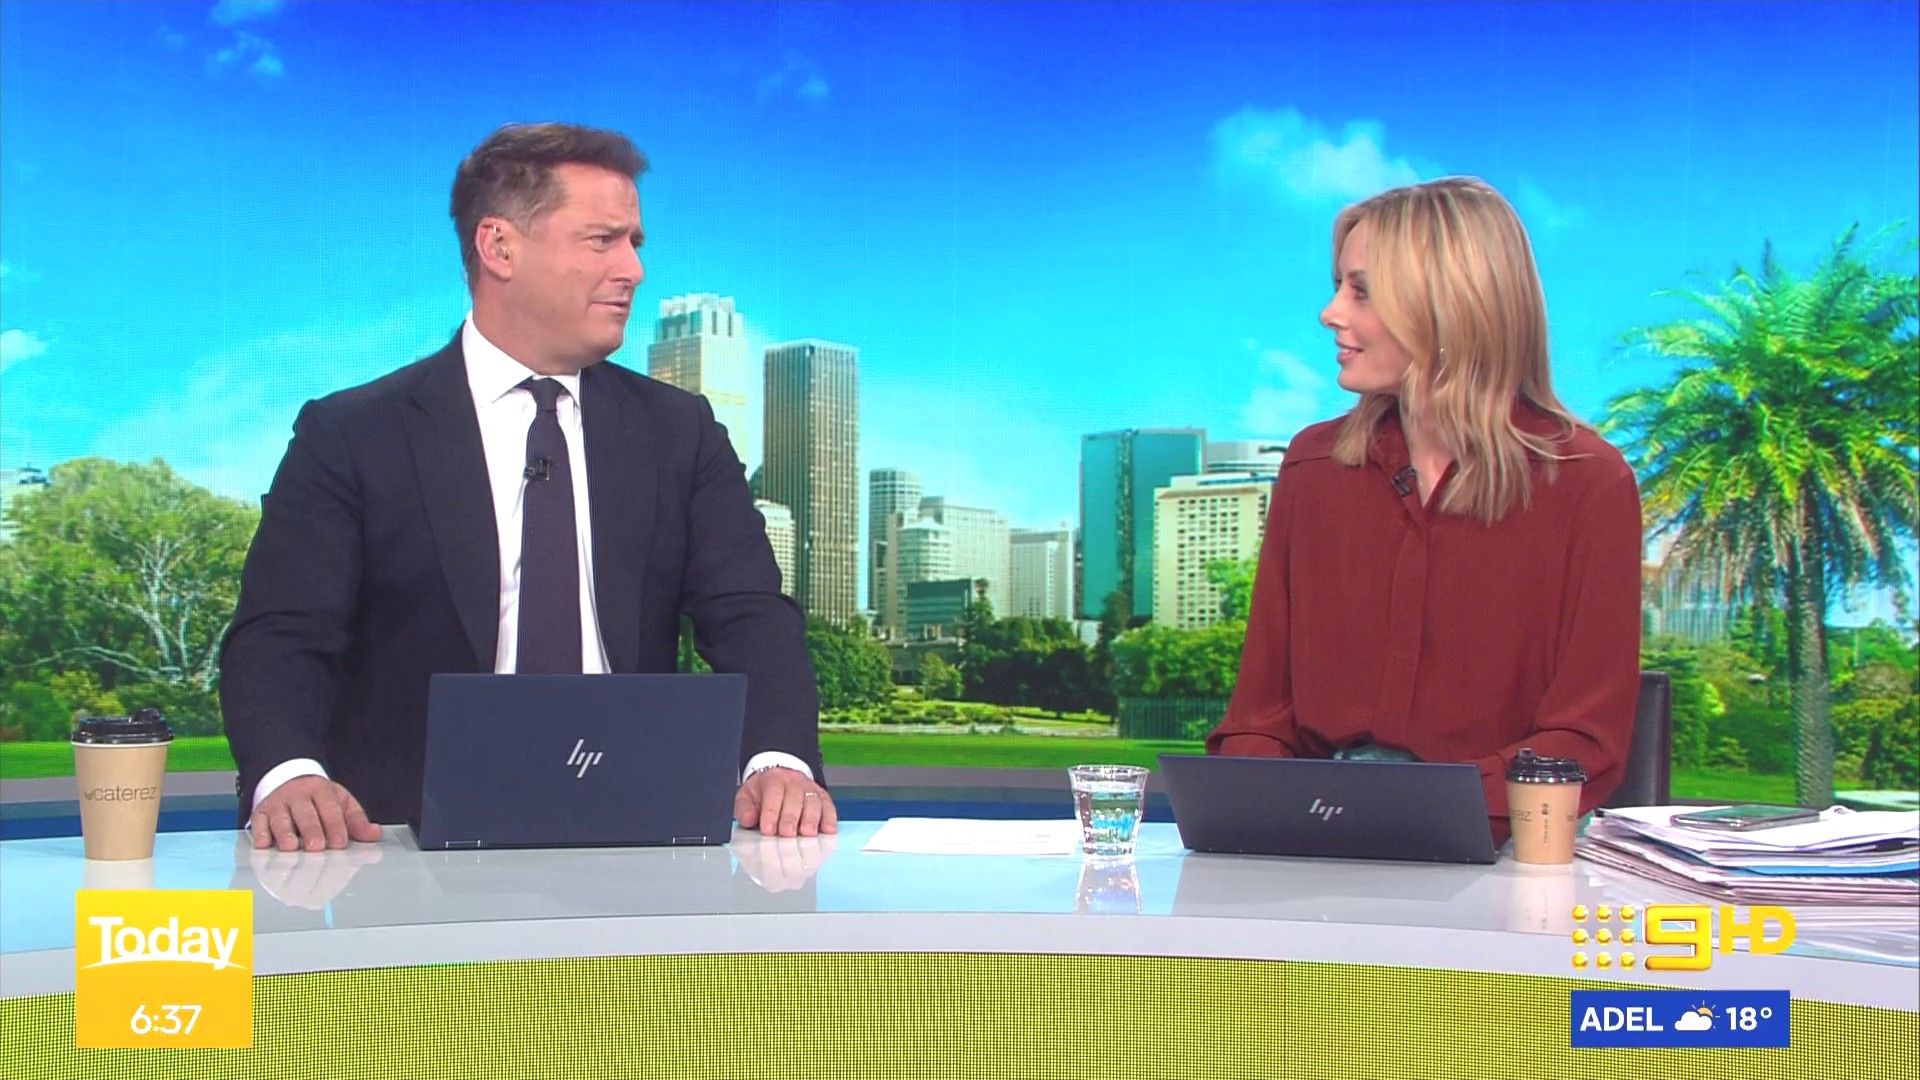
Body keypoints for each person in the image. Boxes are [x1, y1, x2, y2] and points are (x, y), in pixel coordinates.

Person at [221, 122, 836, 851]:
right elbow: (282, 636)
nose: (634, 270)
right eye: (602, 240)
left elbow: (751, 616)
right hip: (407, 844)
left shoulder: (680, 430)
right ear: (499, 247)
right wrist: (290, 774)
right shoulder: (353, 434)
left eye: (635, 242)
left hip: (637, 831)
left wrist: (778, 760)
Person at [1206, 176, 1641, 843]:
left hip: (1509, 852)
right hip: (1312, 844)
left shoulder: (1588, 482)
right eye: (1338, 286)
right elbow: (1260, 719)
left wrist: (1425, 811)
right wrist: (1262, 815)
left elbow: (1583, 742)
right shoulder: (1314, 468)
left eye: (1361, 291)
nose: (1329, 313)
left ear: (1447, 309)